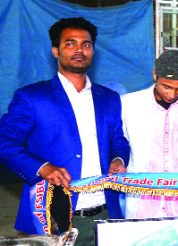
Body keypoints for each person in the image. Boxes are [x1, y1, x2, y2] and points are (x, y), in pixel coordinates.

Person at [0, 17, 131, 244]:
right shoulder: (32, 97)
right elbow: (4, 141)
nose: (79, 50)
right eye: (70, 43)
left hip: (106, 214)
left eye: (86, 44)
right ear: (55, 51)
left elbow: (118, 140)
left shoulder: (109, 98)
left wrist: (118, 159)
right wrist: (41, 167)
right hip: (53, 217)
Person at [121, 50, 178, 219]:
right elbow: (118, 145)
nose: (172, 94)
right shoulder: (128, 104)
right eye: (166, 86)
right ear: (155, 75)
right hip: (143, 204)